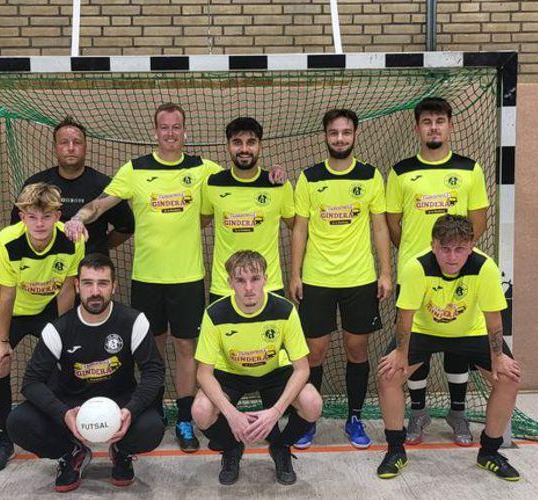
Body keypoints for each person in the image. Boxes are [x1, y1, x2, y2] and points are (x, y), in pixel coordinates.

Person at [64, 103, 284, 452]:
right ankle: (151, 410)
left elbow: (242, 174)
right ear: (156, 132)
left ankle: (184, 417)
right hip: (147, 278)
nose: (170, 133)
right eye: (164, 127)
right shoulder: (135, 169)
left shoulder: (202, 169)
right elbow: (100, 204)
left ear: (185, 131)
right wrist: (78, 217)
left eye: (176, 127)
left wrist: (274, 175)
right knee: (151, 349)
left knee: (186, 349)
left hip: (188, 278)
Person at [376, 215, 521, 482]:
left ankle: (489, 452)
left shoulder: (485, 267)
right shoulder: (416, 267)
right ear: (433, 245)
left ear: (471, 246)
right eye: (445, 249)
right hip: (424, 330)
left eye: (459, 249)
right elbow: (405, 317)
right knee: (388, 376)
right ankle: (395, 450)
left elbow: (493, 319)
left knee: (509, 379)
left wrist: (498, 357)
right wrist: (400, 353)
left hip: (471, 332)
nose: (452, 257)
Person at [6, 253, 165, 492]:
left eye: (103, 283)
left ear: (113, 286)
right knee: (18, 422)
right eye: (88, 283)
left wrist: (131, 410)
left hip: (119, 403)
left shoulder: (134, 321)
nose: (95, 291)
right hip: (72, 404)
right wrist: (63, 414)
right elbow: (31, 382)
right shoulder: (58, 329)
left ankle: (121, 452)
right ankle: (71, 453)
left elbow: (154, 371)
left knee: (152, 428)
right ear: (77, 286)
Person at [385, 97, 491, 446]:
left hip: (457, 276)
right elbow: (393, 224)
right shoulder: (400, 172)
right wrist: (418, 260)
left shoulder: (469, 169)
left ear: (450, 126)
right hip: (415, 276)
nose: (434, 127)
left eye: (440, 121)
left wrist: (454, 258)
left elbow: (478, 221)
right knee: (417, 346)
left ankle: (457, 413)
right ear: (417, 128)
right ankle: (418, 412)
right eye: (427, 121)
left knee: (457, 343)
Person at [288, 108, 393, 449]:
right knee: (314, 353)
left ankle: (355, 418)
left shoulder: (370, 176)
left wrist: (385, 272)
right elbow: (299, 229)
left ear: (355, 135)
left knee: (356, 349)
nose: (340, 138)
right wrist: (295, 274)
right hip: (317, 279)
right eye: (334, 133)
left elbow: (380, 227)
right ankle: (308, 420)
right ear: (325, 136)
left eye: (346, 132)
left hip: (359, 278)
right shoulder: (309, 177)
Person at [192, 250, 322, 486]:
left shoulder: (284, 310)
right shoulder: (215, 314)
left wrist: (276, 412)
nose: (249, 288)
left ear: (266, 279)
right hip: (230, 373)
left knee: (312, 403)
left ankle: (280, 447)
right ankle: (232, 448)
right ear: (230, 282)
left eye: (255, 279)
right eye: (240, 280)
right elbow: (203, 373)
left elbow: (302, 369)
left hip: (274, 372)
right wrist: (231, 415)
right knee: (201, 411)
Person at [0, 182, 85, 472]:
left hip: (45, 308)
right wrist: (1, 340)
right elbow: (7, 294)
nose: (39, 224)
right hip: (8, 310)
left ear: (57, 216)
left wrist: (63, 334)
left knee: (62, 363)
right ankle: (5, 439)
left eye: (46, 216)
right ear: (22, 216)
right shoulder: (8, 241)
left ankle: (61, 429)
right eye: (32, 217)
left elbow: (67, 289)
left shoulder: (72, 239)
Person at [201, 117, 295, 303]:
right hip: (224, 287)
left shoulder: (278, 185)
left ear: (260, 146)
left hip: (269, 286)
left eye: (251, 142)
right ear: (228, 146)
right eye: (237, 142)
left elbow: (297, 226)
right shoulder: (212, 183)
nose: (244, 149)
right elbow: (199, 221)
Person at [10, 116, 134, 257]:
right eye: (64, 142)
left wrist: (98, 247)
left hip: (89, 266)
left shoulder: (104, 185)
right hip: (47, 266)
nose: (70, 148)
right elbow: (17, 226)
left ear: (85, 148)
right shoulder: (36, 184)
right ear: (55, 148)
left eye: (77, 142)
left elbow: (126, 227)